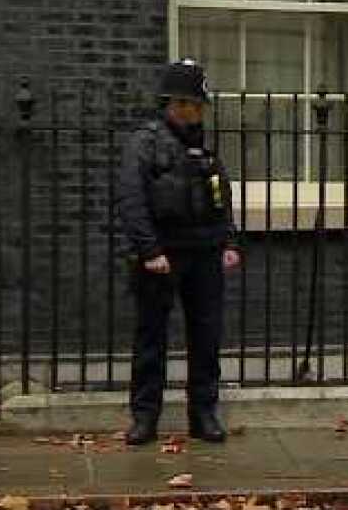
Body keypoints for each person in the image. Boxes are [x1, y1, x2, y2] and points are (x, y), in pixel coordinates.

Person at [116, 58, 241, 445]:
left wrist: (229, 241)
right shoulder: (145, 143)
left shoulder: (202, 145)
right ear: (176, 103)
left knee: (206, 336)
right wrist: (149, 250)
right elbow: (132, 199)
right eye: (194, 105)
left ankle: (203, 414)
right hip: (162, 255)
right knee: (151, 338)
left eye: (201, 106)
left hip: (205, 252)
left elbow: (221, 195)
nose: (199, 112)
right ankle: (144, 417)